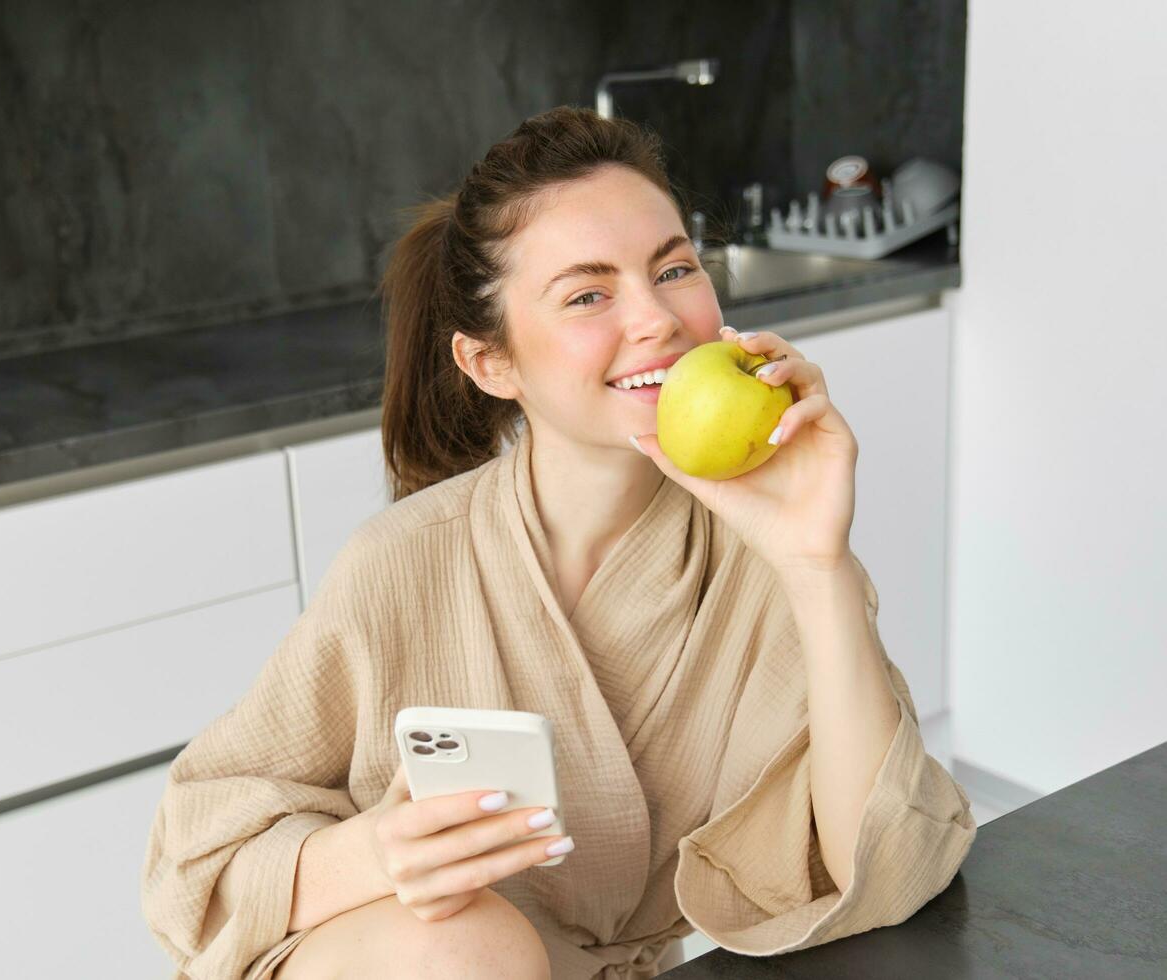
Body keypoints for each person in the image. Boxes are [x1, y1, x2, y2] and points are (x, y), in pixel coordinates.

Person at [140, 105, 976, 980]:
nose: (656, 318)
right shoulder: (403, 562)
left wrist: (817, 565)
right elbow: (197, 854)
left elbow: (879, 872)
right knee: (472, 943)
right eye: (588, 294)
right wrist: (378, 854)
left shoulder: (764, 555)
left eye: (675, 268)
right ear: (489, 363)